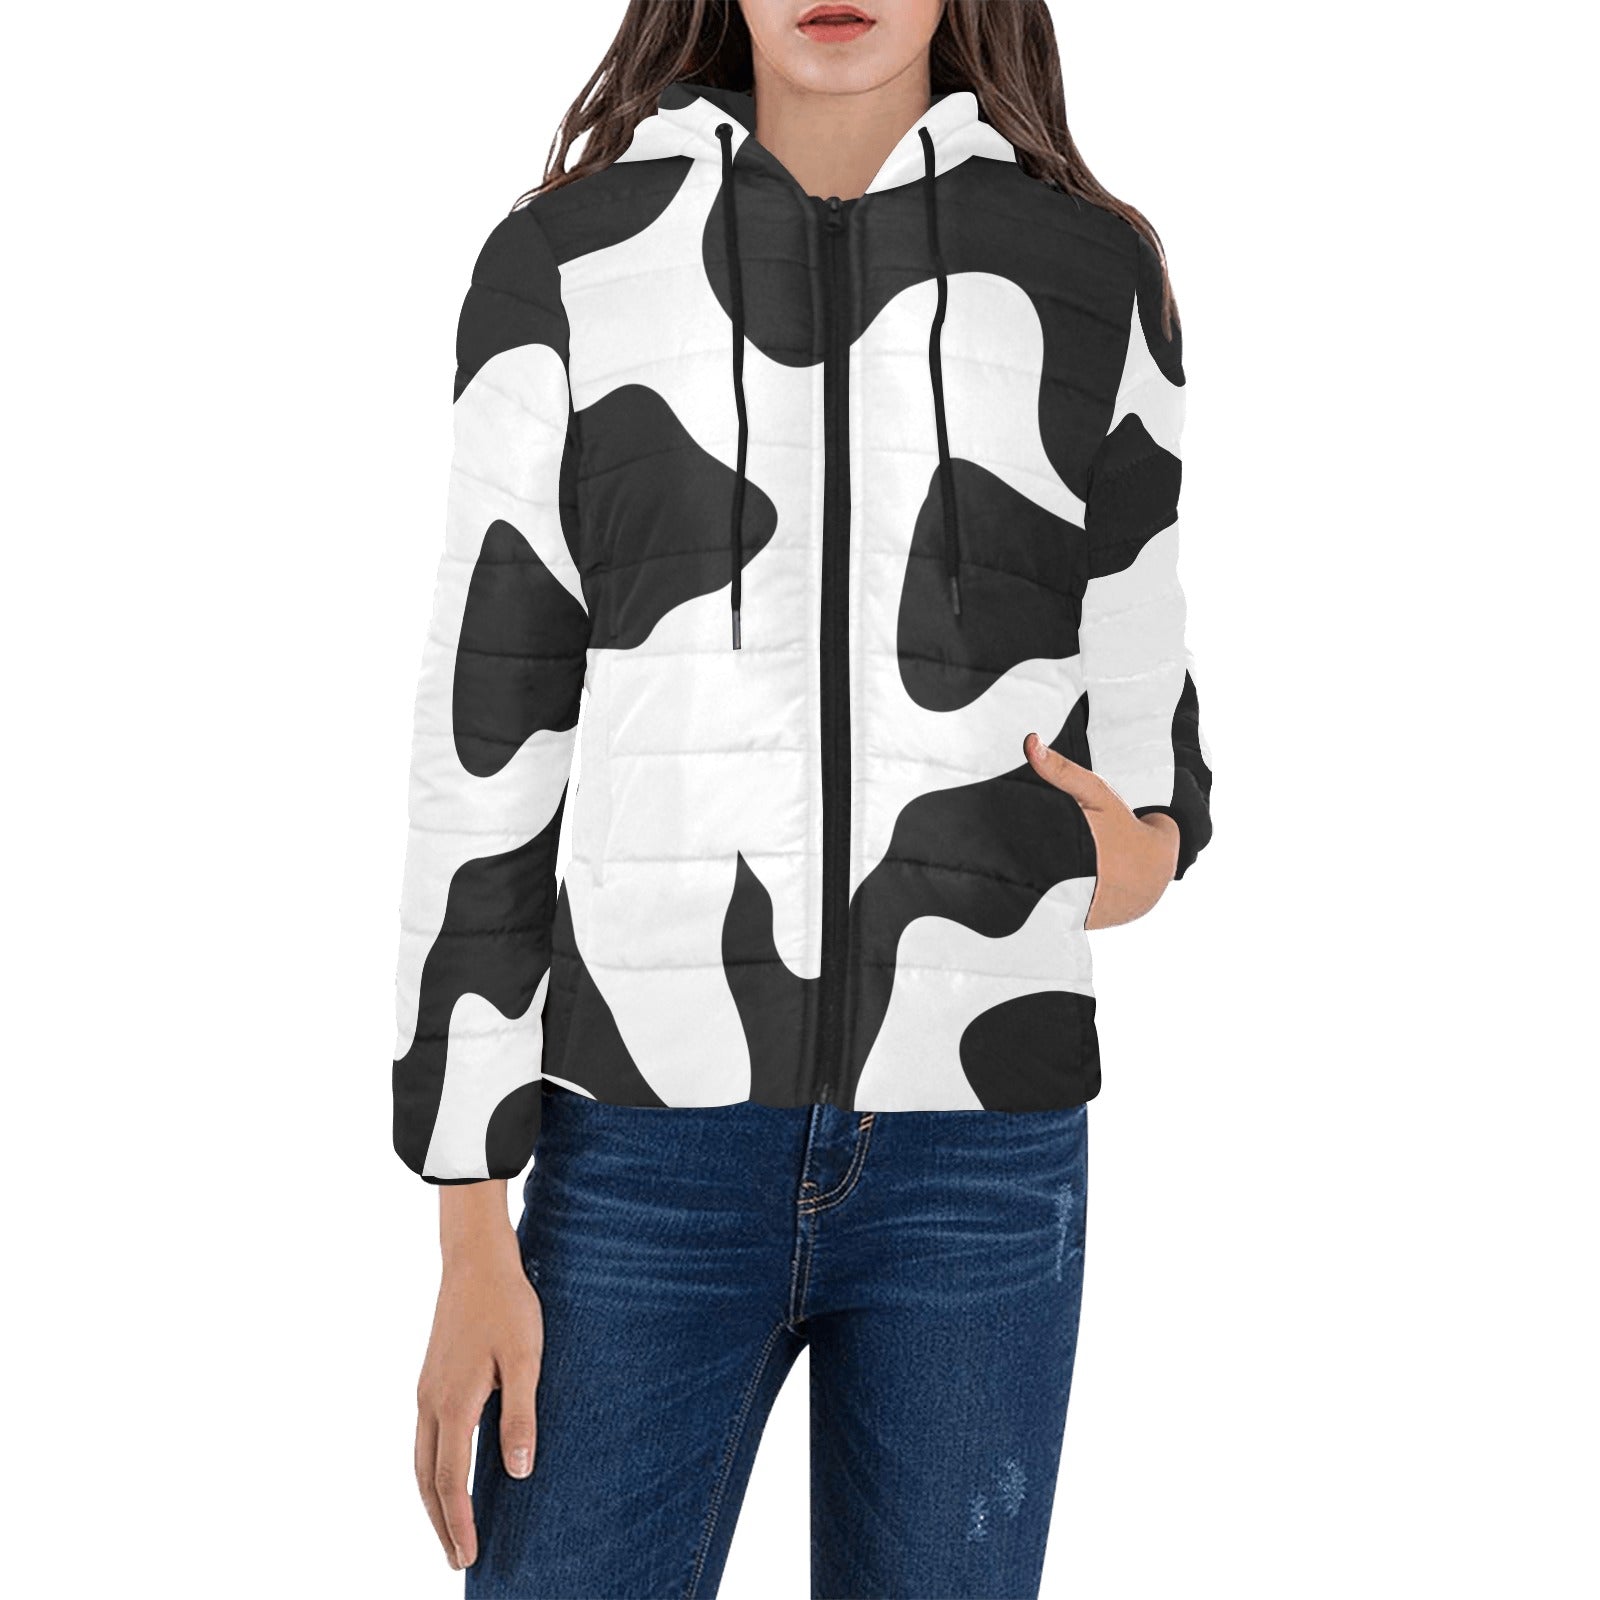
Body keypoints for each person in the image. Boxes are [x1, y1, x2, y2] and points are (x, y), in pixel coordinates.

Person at [392, 1, 1213, 1594]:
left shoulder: (1093, 272)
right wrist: (468, 1216)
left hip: (981, 1155)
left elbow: (1146, 719)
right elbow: (485, 739)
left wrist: (1127, 855)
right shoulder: (570, 263)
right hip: (641, 1143)